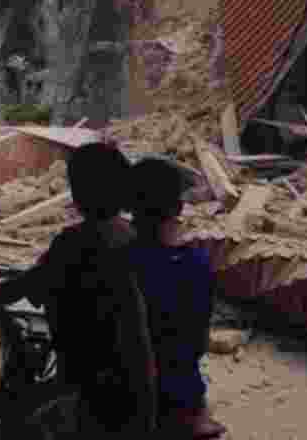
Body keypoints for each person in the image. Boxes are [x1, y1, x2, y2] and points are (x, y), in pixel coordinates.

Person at [0, 142, 157, 437]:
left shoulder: (75, 242)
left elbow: (28, 284)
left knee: (16, 423)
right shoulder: (130, 235)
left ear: (81, 192)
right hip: (136, 389)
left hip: (92, 392)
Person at [128, 157, 227, 439]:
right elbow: (198, 343)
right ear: (179, 207)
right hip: (180, 395)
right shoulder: (196, 264)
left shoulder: (117, 260)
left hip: (123, 392)